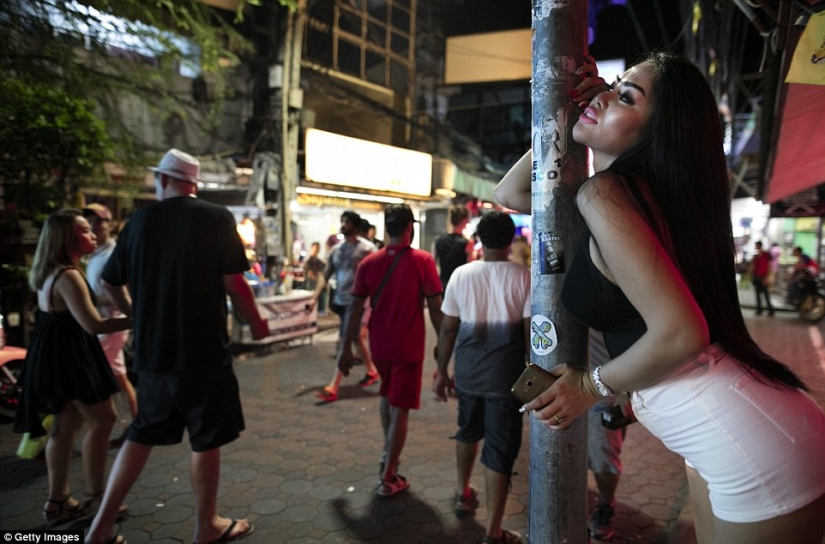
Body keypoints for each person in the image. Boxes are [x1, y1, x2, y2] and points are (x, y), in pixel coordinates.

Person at [494, 53, 825, 543]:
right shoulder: (638, 203)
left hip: (751, 448)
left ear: (659, 133)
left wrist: (589, 385)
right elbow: (511, 192)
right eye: (612, 86)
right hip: (743, 432)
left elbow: (681, 333)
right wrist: (573, 111)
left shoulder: (606, 196)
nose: (604, 96)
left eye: (626, 97)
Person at [85, 148, 270, 544]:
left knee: (141, 434)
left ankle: (100, 527)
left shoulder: (138, 222)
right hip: (203, 351)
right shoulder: (216, 217)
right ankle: (206, 525)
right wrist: (257, 323)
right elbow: (235, 284)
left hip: (153, 354)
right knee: (206, 438)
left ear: (165, 180)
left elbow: (108, 281)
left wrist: (135, 314)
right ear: (193, 183)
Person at [13, 209, 132, 529]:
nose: (92, 233)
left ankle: (58, 501)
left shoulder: (50, 271)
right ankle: (97, 496)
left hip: (53, 354)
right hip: (72, 357)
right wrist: (139, 319)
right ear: (68, 238)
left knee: (65, 425)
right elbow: (93, 325)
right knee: (103, 419)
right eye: (84, 230)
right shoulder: (69, 275)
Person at [433, 211, 530, 544]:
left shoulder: (461, 275)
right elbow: (530, 333)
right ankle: (493, 532)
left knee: (467, 431)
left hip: (468, 375)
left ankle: (462, 493)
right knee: (500, 452)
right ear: (510, 241)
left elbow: (448, 329)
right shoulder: (523, 277)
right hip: (506, 379)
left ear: (479, 239)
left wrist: (441, 372)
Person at [337, 203, 443, 497]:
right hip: (407, 348)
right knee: (401, 409)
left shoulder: (368, 263)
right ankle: (387, 477)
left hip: (379, 345)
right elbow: (436, 309)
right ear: (410, 227)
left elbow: (353, 309)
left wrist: (344, 349)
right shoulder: (423, 261)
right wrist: (443, 344)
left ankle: (388, 455)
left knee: (387, 394)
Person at [309, 211, 379, 401]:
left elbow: (377, 277)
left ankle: (333, 386)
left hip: (357, 303)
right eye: (343, 222)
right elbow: (325, 275)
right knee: (354, 337)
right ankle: (372, 370)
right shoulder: (336, 250)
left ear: (355, 227)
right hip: (340, 301)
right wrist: (314, 298)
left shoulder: (368, 249)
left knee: (344, 340)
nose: (343, 225)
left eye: (347, 222)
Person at [82, 204, 138, 444]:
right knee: (119, 376)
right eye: (89, 222)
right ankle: (136, 425)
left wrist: (86, 299)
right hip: (104, 323)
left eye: (99, 221)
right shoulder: (94, 255)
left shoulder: (113, 254)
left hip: (112, 324)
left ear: (110, 224)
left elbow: (122, 291)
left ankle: (93, 423)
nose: (94, 226)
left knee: (89, 373)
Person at [586, 329, 627, 542]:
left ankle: (606, 505)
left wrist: (627, 391)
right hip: (564, 384)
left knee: (602, 456)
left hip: (604, 389)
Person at [433, 205, 474, 288]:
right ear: (464, 220)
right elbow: (470, 267)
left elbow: (434, 265)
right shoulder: (468, 243)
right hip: (460, 284)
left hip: (443, 285)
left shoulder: (438, 240)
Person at [747, 241, 774, 316]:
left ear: (759, 246)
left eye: (756, 246)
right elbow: (753, 266)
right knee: (758, 295)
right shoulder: (755, 256)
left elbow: (769, 267)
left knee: (766, 295)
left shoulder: (766, 255)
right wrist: (749, 274)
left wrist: (766, 278)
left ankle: (770, 310)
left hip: (763, 277)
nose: (755, 247)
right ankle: (759, 310)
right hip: (756, 277)